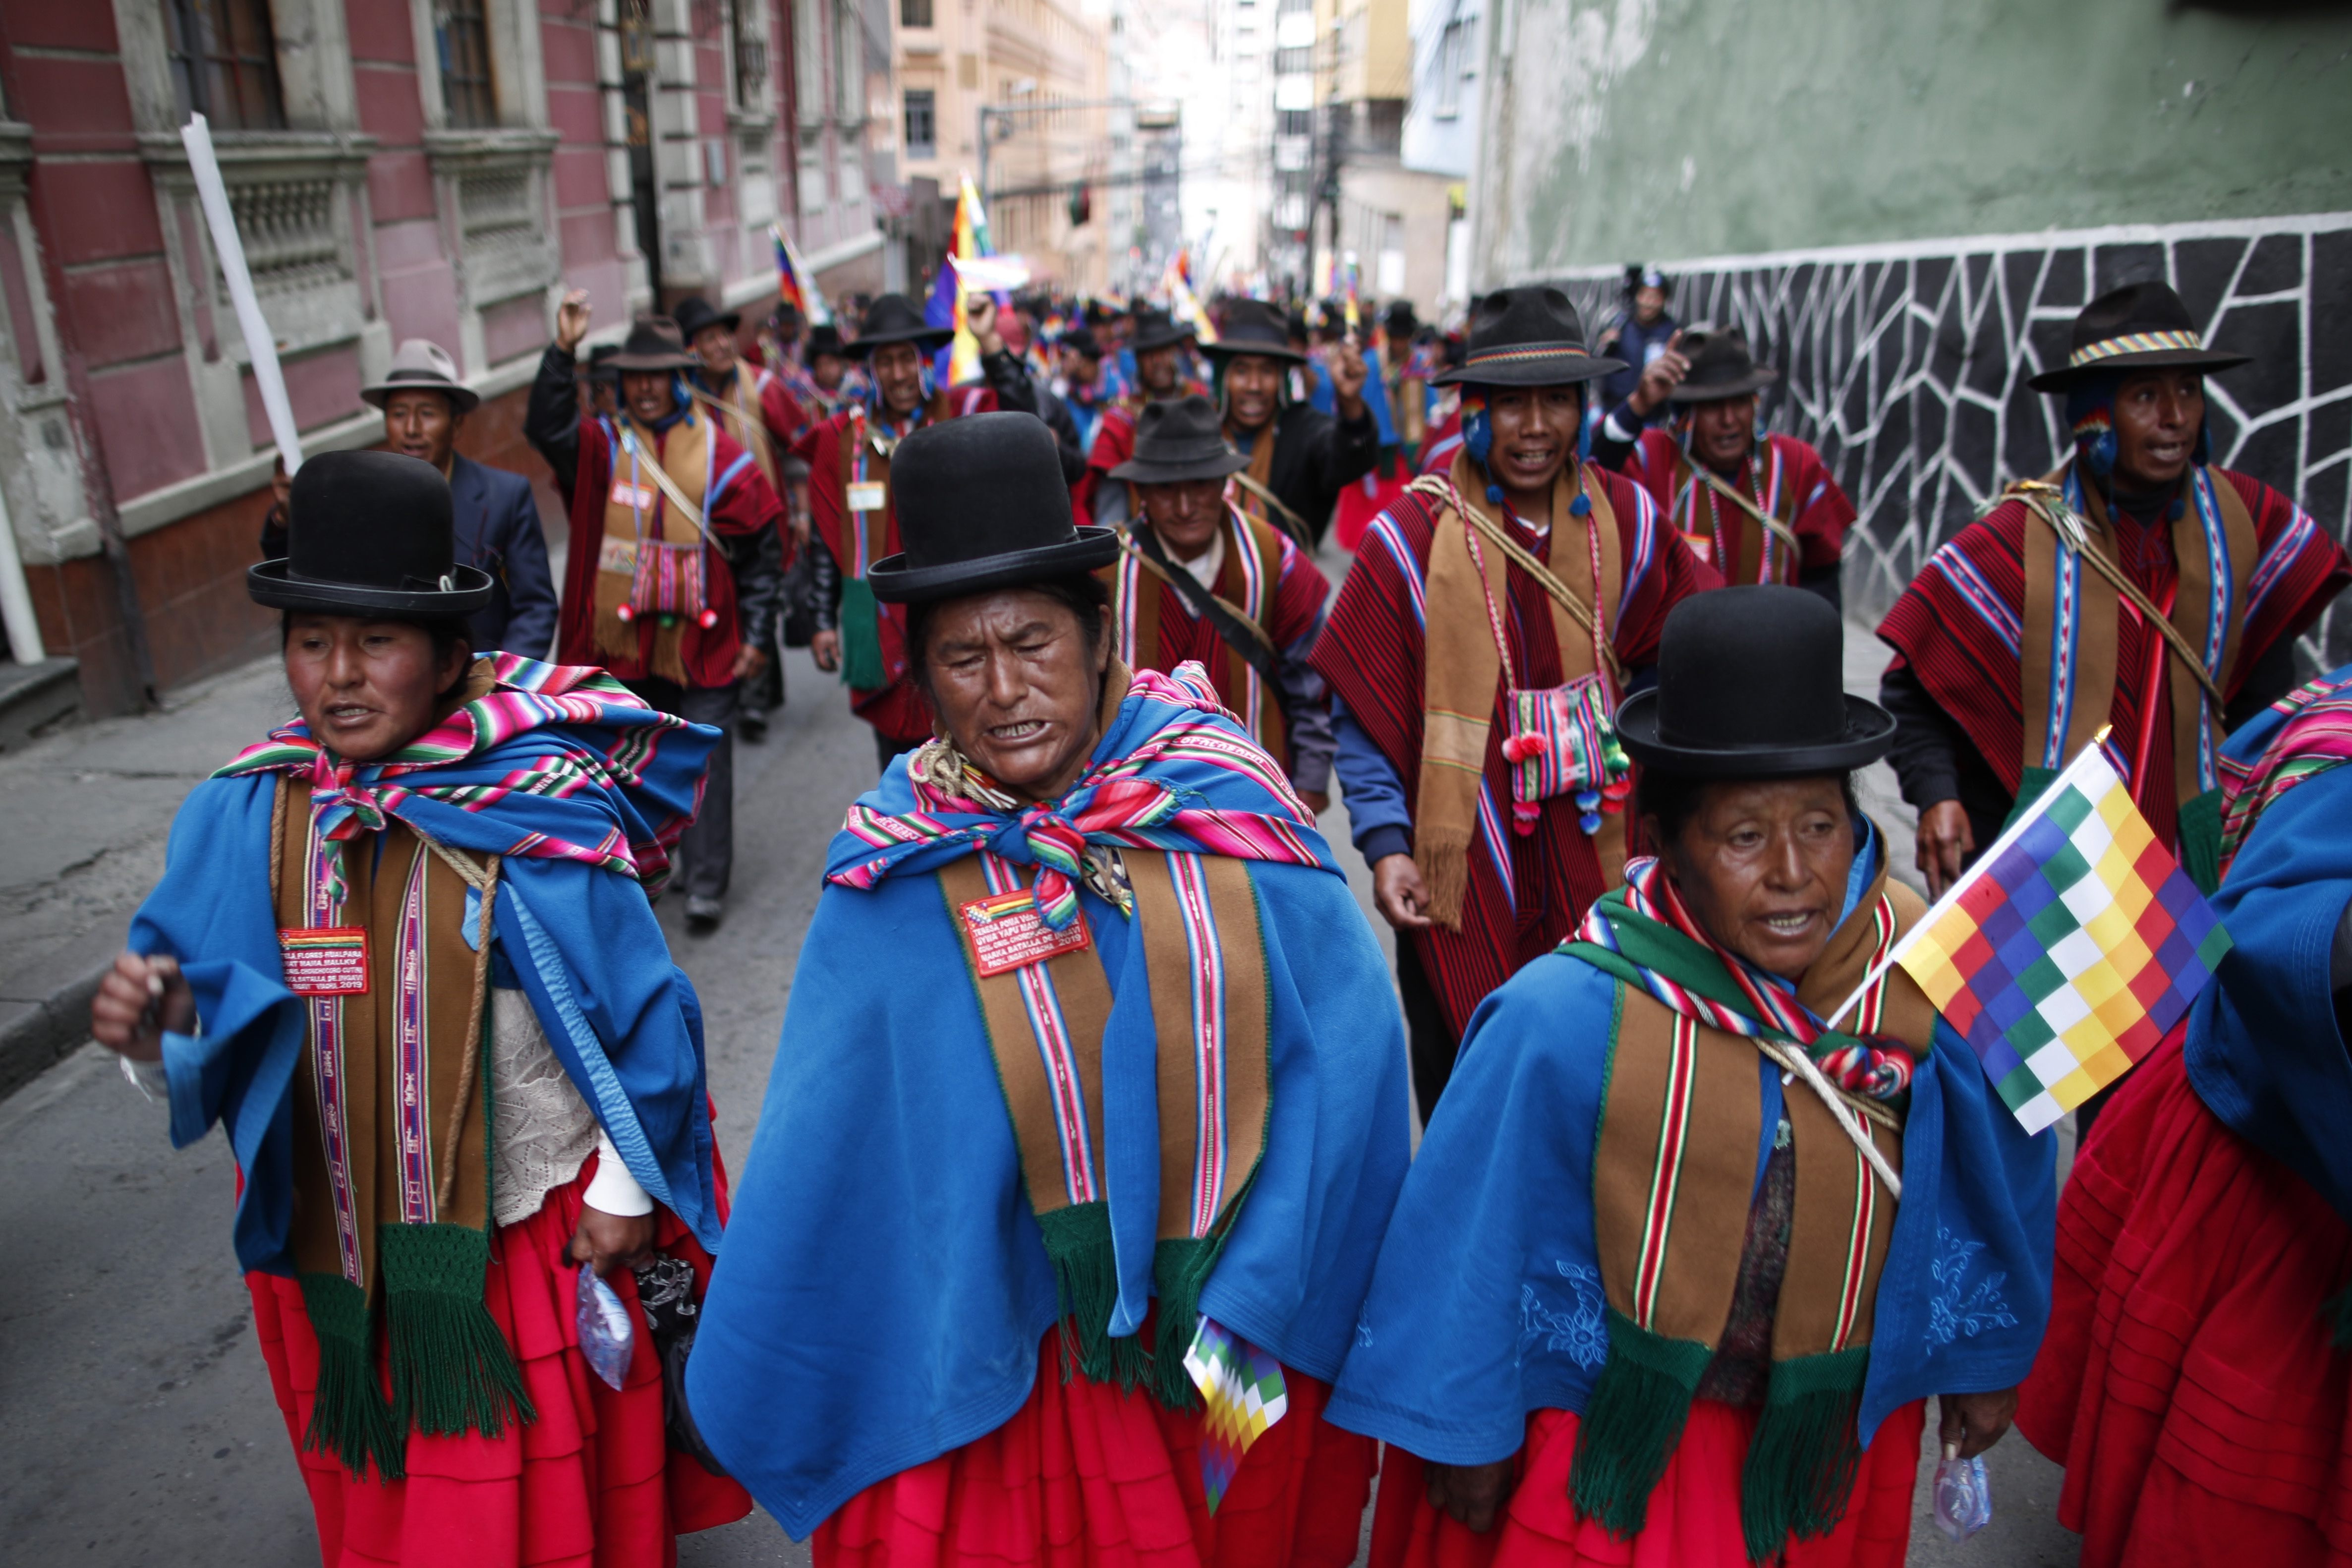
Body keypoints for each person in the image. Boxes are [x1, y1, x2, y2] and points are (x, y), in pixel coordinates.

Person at [684, 412, 1411, 1565]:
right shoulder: (892, 866)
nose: (1006, 688)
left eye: (1032, 641)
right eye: (963, 658)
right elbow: (838, 1149)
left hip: (1224, 1324)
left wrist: (1256, 1291)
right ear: (921, 674)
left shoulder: (1225, 815)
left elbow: (1354, 1079)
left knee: (1233, 1530)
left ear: (1096, 634)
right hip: (1007, 1360)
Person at [91, 449, 749, 1564]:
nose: (338, 674)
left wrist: (626, 1183)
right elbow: (213, 1028)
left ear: (450, 660)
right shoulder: (244, 815)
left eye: (376, 643)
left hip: (516, 1240)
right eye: (311, 643)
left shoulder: (531, 805)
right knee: (401, 1506)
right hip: (343, 1251)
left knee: (527, 1503)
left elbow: (645, 1019)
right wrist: (159, 1038)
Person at [1330, 586, 2056, 1568]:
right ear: (1666, 845)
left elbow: (2000, 1162)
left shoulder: (1929, 972)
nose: (1792, 873)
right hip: (1625, 1445)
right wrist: (1465, 1427)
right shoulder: (1560, 1018)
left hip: (1825, 1446)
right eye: (1743, 836)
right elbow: (1466, 1235)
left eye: (1817, 825)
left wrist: (1983, 1357)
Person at [1313, 287, 1717, 1118]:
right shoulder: (1410, 538)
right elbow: (1363, 710)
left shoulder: (1632, 524)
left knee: (1599, 1083)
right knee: (1466, 1091)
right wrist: (1387, 844)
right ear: (1474, 411)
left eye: (1557, 400)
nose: (1535, 427)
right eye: (1511, 404)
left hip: (1604, 862)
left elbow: (1685, 661)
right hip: (1455, 880)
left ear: (1582, 407)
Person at [2014, 663, 2352, 1567]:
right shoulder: (2336, 737)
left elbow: (2248, 661)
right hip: (2270, 1125)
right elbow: (2273, 921)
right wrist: (1944, 795)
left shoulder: (2227, 533)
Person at [1878, 281, 2350, 902]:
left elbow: (2266, 691)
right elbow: (1911, 688)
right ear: (2094, 415)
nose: (2174, 417)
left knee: (2193, 999)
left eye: (2187, 390)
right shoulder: (2018, 538)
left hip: (2201, 849)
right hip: (2053, 862)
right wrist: (1937, 795)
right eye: (2145, 396)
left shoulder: (2245, 522)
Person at [524, 296, 788, 932]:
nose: (643, 389)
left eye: (656, 376)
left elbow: (760, 550)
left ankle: (704, 883)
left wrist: (756, 632)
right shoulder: (599, 447)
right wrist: (561, 352)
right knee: (624, 763)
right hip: (623, 646)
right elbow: (545, 425)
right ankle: (642, 867)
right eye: (632, 377)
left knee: (704, 762)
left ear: (679, 378)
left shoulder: (723, 454)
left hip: (705, 641)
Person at [802, 290, 1040, 769]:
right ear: (870, 369)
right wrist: (822, 619)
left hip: (963, 607)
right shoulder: (841, 440)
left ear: (925, 361)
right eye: (885, 362)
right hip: (885, 622)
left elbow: (1022, 415)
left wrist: (989, 338)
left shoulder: (962, 413)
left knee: (978, 755)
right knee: (902, 768)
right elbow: (826, 535)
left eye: (906, 359)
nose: (897, 374)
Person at [1103, 394, 1336, 810]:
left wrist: (1312, 780)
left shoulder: (1273, 560)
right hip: (1140, 807)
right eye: (1165, 490)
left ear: (1223, 483)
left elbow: (1313, 683)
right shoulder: (1108, 573)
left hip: (1260, 799)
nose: (1185, 507)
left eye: (1200, 485)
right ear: (1140, 491)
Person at [259, 340, 558, 660]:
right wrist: (290, 519)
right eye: (399, 414)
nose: (412, 429)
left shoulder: (506, 496)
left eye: (427, 414)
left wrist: (500, 683)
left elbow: (535, 609)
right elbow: (310, 582)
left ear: (457, 423)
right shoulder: (358, 499)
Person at [1592, 328, 1854, 606]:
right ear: (1685, 416)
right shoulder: (1653, 457)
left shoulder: (1797, 463)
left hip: (1772, 645)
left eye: (1741, 401)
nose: (1729, 420)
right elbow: (1591, 480)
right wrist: (1638, 406)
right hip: (1676, 646)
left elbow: (1823, 574)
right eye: (1712, 405)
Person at [678, 294, 808, 742]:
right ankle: (762, 685)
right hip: (705, 523)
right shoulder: (680, 398)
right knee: (734, 599)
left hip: (764, 517)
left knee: (761, 592)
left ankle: (752, 700)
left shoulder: (763, 386)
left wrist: (802, 509)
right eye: (706, 339)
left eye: (722, 335)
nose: (718, 345)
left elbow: (796, 450)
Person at [1205, 298, 1377, 548]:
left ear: (1282, 379)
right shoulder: (1199, 430)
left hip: (1284, 583)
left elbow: (1353, 459)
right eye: (1241, 372)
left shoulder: (1302, 429)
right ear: (1223, 377)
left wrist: (1350, 404)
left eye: (1266, 372)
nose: (1254, 386)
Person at [1079, 307, 1208, 526]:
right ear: (1138, 360)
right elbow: (1112, 510)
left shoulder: (1201, 402)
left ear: (1177, 354)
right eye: (1149, 355)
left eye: (1165, 352)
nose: (1158, 362)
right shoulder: (1121, 421)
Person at [1594, 265, 1677, 419]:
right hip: (1614, 410)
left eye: (1655, 297)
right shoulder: (1619, 324)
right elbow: (1596, 362)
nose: (1649, 303)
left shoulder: (1672, 333)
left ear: (1664, 300)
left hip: (1653, 415)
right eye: (1644, 295)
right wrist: (1604, 344)